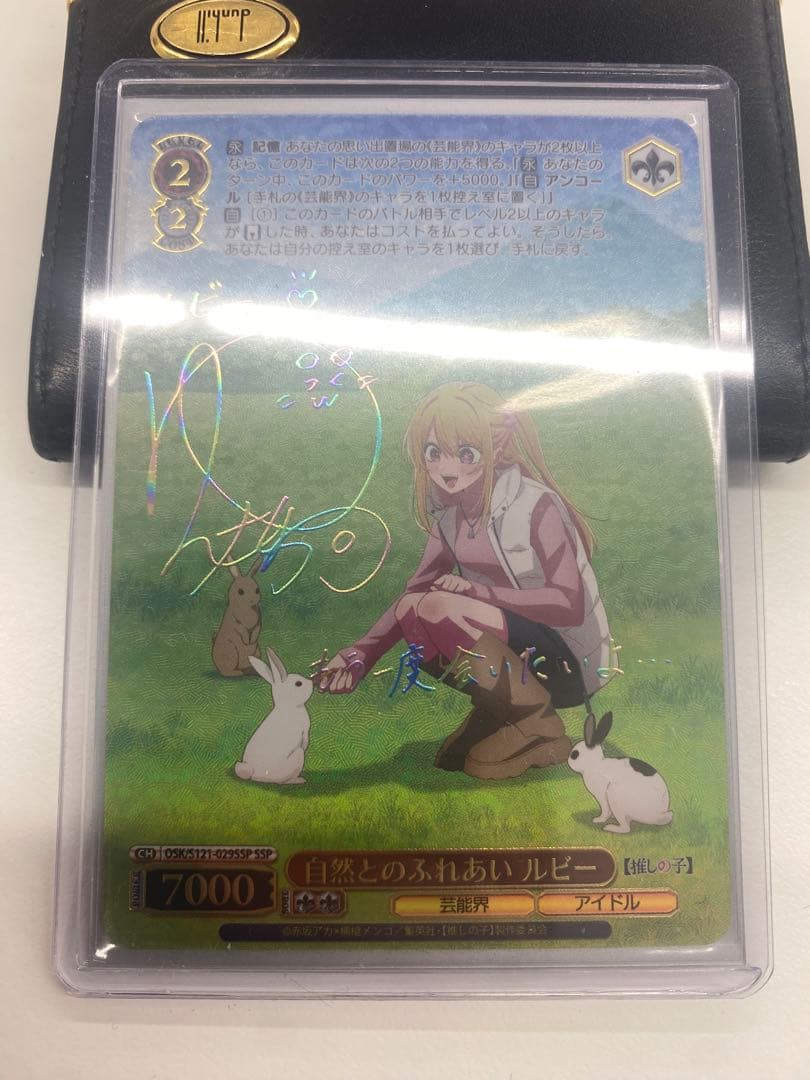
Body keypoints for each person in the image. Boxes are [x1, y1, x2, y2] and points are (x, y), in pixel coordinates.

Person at [319, 382, 611, 780]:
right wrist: (360, 656)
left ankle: (538, 723)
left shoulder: (534, 504)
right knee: (413, 610)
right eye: (433, 452)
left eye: (466, 453)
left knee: (438, 607)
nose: (447, 468)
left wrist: (479, 592)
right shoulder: (451, 516)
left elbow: (568, 604)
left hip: (566, 661)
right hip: (516, 652)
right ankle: (500, 708)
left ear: (497, 447)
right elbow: (412, 595)